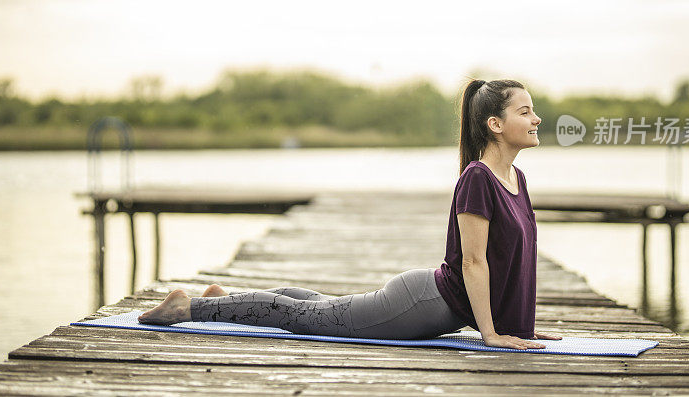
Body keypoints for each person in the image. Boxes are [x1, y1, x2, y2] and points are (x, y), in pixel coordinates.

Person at [138, 78, 561, 349]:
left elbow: (516, 265)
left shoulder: (516, 179)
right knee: (310, 319)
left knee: (323, 305)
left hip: (431, 300)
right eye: (525, 111)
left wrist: (520, 328)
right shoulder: (478, 178)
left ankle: (226, 301)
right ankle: (188, 308)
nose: (536, 117)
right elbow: (473, 262)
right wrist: (490, 335)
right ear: (495, 124)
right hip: (424, 303)